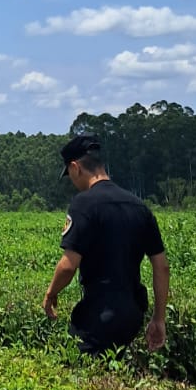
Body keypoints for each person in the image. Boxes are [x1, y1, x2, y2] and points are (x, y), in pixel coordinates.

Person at [42, 133, 168, 355]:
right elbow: (162, 266)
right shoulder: (139, 206)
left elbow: (68, 265)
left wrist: (51, 294)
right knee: (118, 374)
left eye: (69, 174)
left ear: (75, 167)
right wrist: (159, 318)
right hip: (133, 315)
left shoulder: (84, 204)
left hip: (98, 314)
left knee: (77, 371)